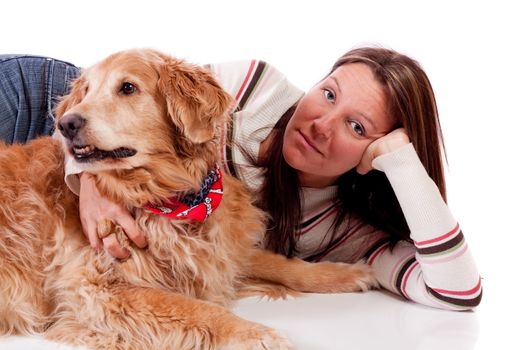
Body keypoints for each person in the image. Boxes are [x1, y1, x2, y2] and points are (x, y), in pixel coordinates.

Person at [0, 47, 482, 311]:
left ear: (371, 156)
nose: (321, 124)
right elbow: (134, 94)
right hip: (38, 96)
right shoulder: (254, 89)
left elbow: (458, 291)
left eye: (357, 127)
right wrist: (85, 179)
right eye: (328, 94)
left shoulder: (340, 228)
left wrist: (401, 160)